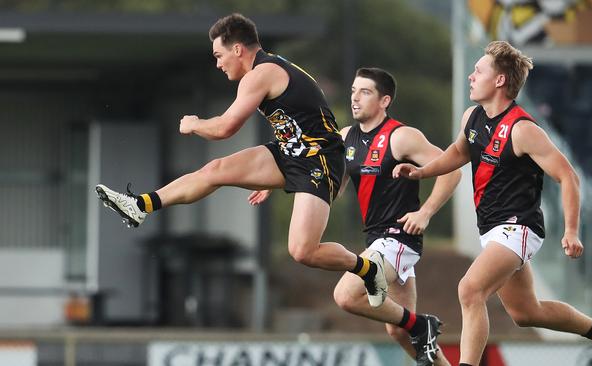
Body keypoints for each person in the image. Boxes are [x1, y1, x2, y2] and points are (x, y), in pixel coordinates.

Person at [94, 13, 388, 309]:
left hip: (320, 159)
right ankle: (140, 205)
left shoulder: (261, 74)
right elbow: (301, 118)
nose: (218, 63)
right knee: (215, 171)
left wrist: (194, 124)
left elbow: (225, 128)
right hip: (292, 152)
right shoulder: (266, 70)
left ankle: (368, 268)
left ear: (237, 49)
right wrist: (277, 178)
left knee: (302, 251)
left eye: (219, 55)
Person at [393, 41, 592, 366]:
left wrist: (572, 231)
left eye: (478, 71)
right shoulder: (472, 117)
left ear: (500, 80)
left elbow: (569, 178)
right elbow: (458, 152)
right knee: (526, 312)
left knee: (470, 290)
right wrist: (423, 171)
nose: (470, 76)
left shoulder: (522, 129)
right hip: (492, 230)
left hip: (518, 228)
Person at [249, 68, 460, 366]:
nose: (355, 98)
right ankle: (421, 330)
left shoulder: (402, 137)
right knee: (400, 331)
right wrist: (277, 184)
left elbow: (451, 170)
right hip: (376, 239)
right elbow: (320, 175)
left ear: (384, 100)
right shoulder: (346, 137)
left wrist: (425, 212)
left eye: (365, 92)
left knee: (347, 296)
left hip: (399, 238)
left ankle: (421, 324)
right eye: (352, 91)